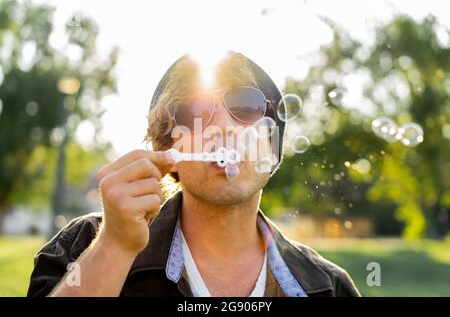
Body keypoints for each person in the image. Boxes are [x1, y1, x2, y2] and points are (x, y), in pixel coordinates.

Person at [27, 51, 360, 297]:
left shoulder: (329, 287)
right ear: (167, 149)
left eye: (246, 106)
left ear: (272, 145)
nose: (222, 128)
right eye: (195, 112)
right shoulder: (84, 247)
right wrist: (114, 247)